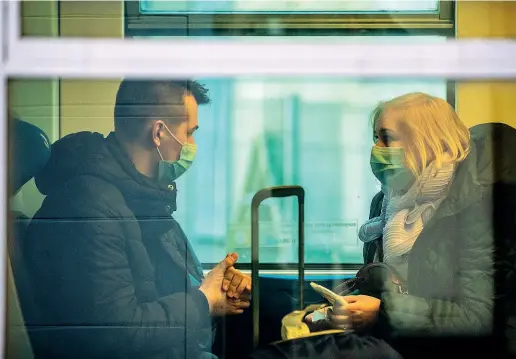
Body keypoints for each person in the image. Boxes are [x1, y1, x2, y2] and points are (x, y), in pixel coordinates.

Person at [22, 79, 251, 359]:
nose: (191, 145)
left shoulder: (144, 197)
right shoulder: (86, 209)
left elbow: (157, 287)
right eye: (189, 133)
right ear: (158, 133)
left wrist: (219, 286)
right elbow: (116, 334)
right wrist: (204, 303)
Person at [307, 92, 500, 357]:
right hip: (396, 342)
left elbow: (478, 318)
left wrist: (382, 311)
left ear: (427, 141)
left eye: (387, 137)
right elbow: (384, 287)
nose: (376, 148)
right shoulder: (387, 203)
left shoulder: (475, 207)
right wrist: (334, 311)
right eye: (375, 138)